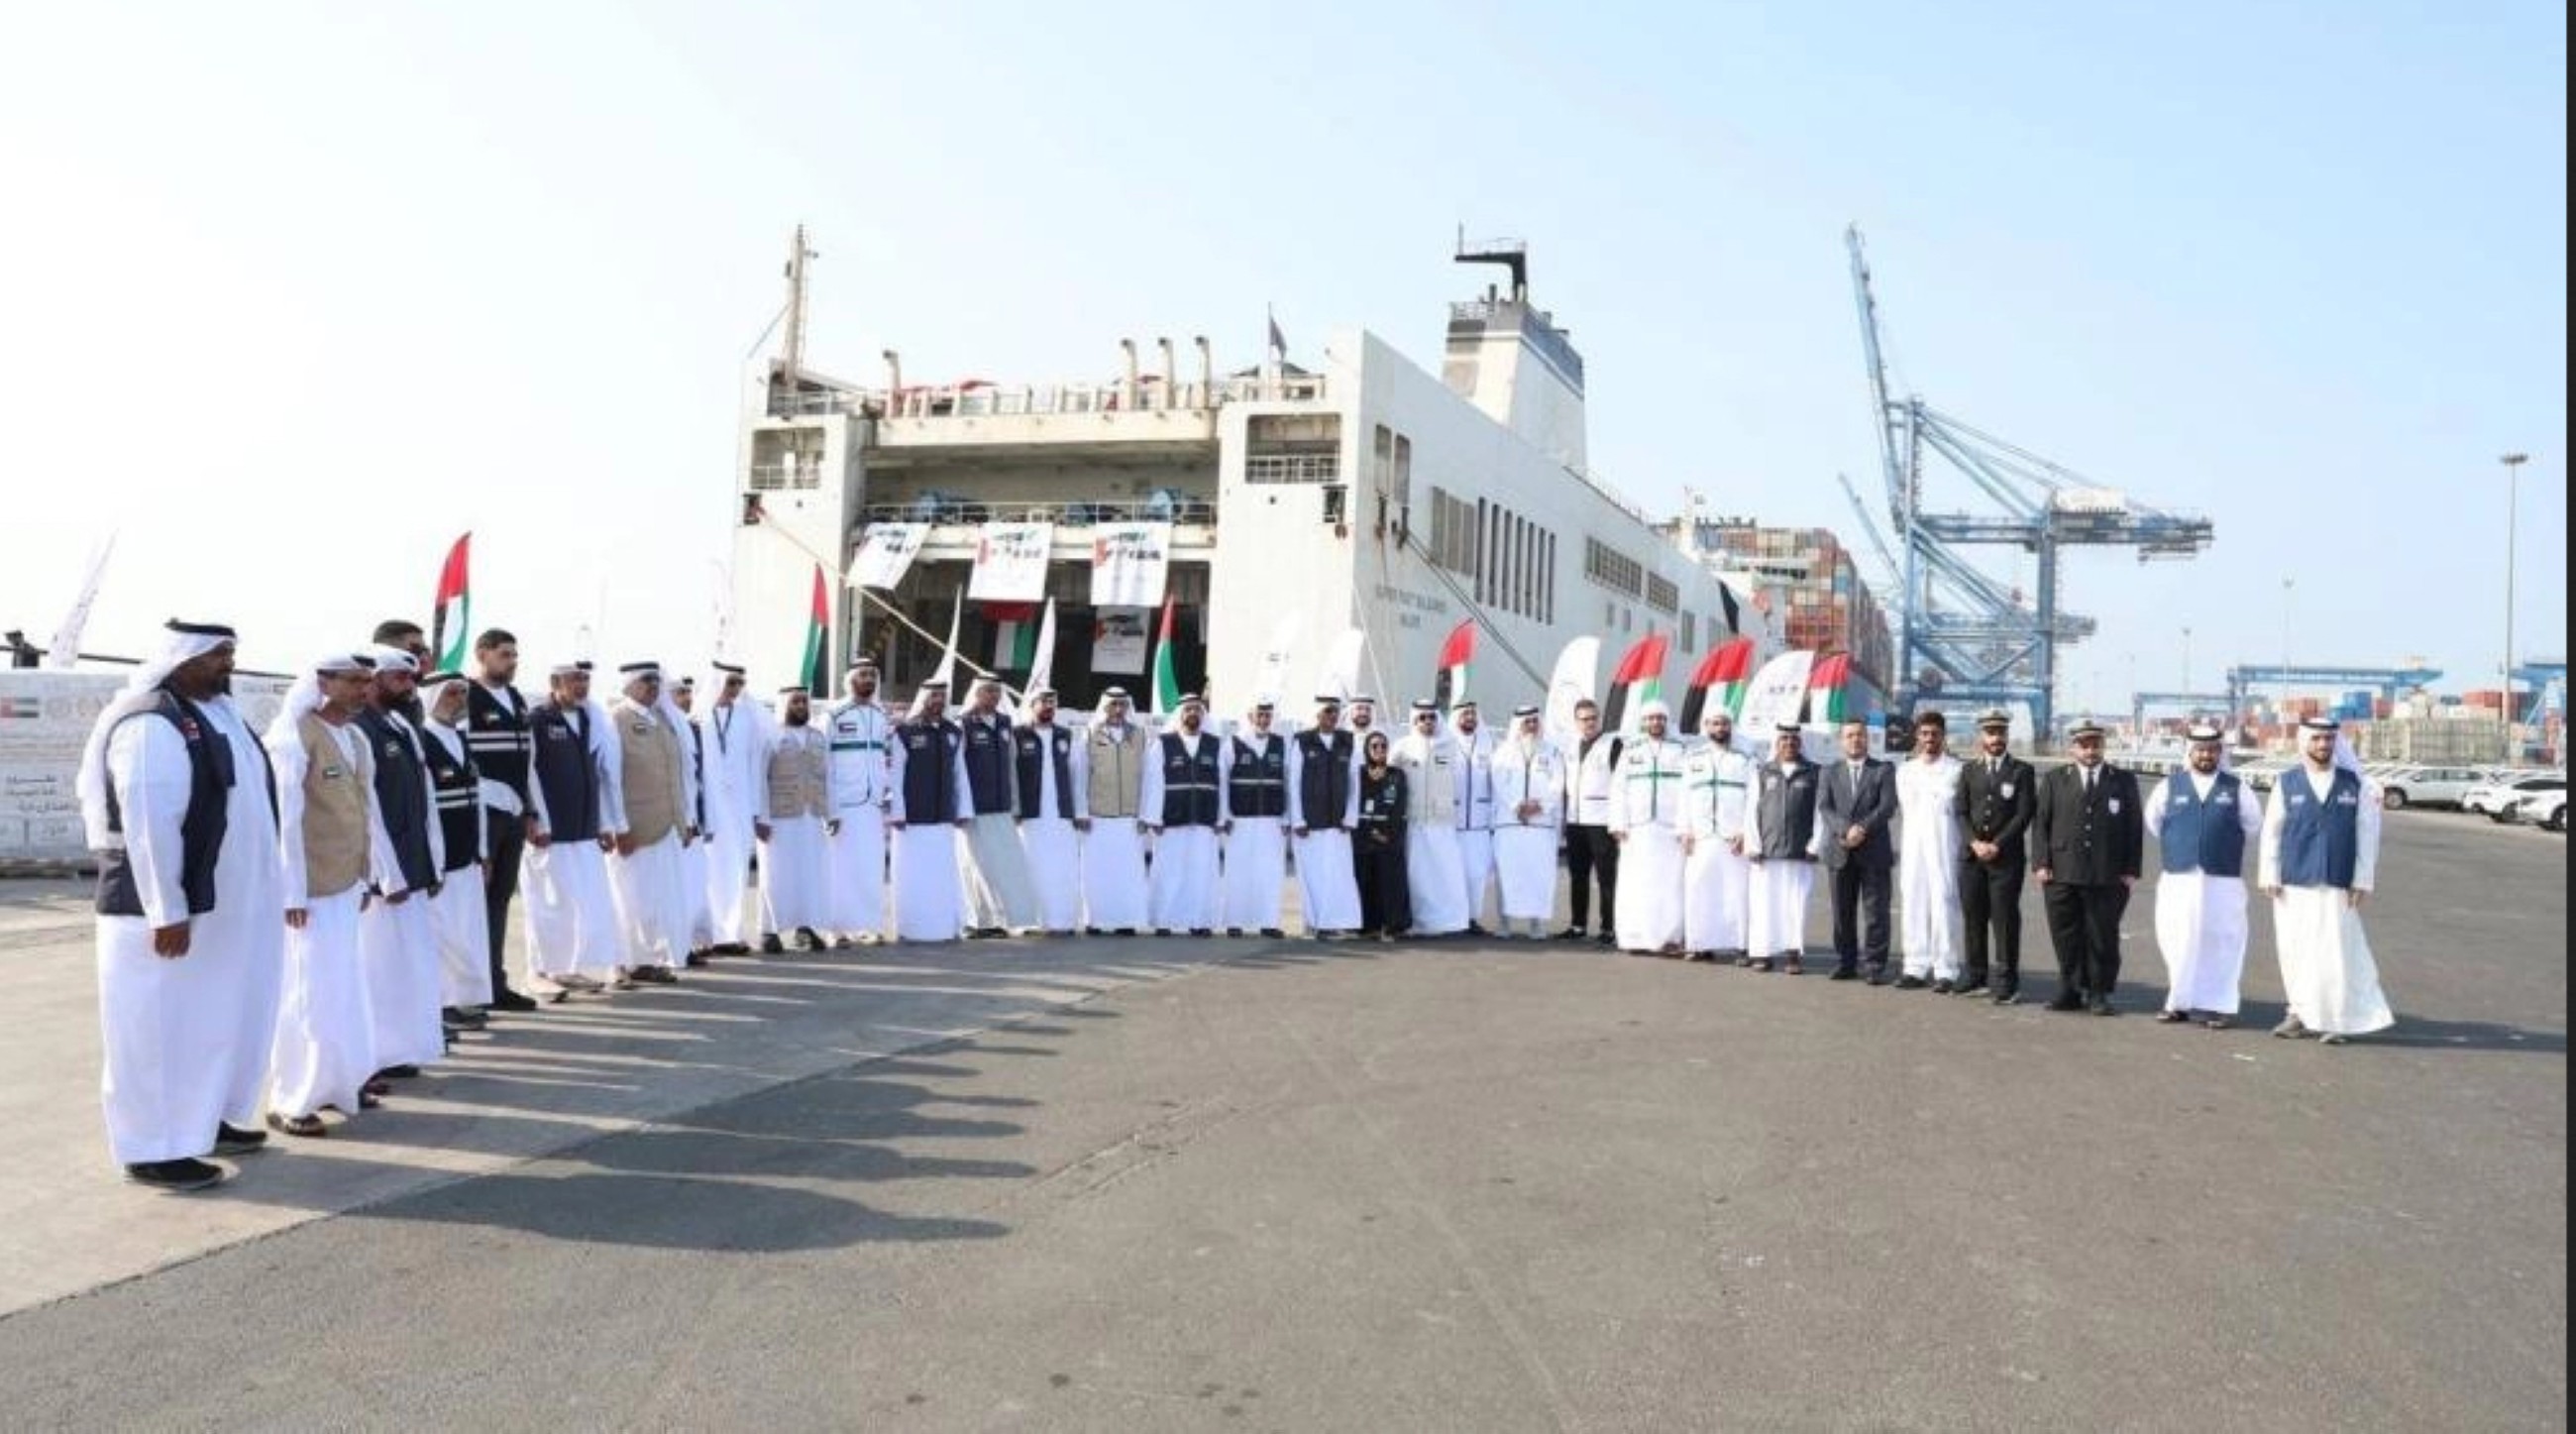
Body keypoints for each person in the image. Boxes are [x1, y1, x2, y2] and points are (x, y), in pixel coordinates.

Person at [77, 620, 285, 1189]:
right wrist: (166, 911)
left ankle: (201, 1122)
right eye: (217, 654)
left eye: (231, 653)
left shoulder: (219, 714)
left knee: (207, 1022)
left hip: (215, 911)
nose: (227, 665)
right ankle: (152, 1149)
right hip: (159, 915)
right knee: (157, 1031)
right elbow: (149, 825)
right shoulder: (151, 722)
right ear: (181, 657)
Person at [265, 653, 390, 1137]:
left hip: (345, 883)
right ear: (323, 683)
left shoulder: (355, 737)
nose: (363, 689)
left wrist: (368, 875)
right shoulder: (294, 736)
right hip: (309, 892)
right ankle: (291, 1098)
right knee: (306, 995)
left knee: (343, 990)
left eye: (367, 681)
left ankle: (340, 1082)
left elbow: (365, 810)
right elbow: (286, 819)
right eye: (354, 681)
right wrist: (291, 890)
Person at [2259, 718, 2396, 1045]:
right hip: (2294, 880)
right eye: (2317, 739)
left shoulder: (2353, 784)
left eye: (2328, 739)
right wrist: (2269, 872)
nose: (2323, 745)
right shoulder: (2287, 782)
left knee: (2336, 952)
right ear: (2304, 741)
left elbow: (2366, 834)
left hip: (2338, 881)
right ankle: (2299, 1013)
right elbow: (2272, 831)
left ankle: (2337, 1019)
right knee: (2296, 950)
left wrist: (2362, 880)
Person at [353, 647, 446, 1083]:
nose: (409, 687)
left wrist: (433, 862)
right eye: (399, 679)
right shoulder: (358, 729)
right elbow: (365, 810)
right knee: (372, 970)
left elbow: (423, 802)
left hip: (411, 866)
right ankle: (366, 1057)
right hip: (380, 877)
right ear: (372, 681)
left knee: (400, 969)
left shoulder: (399, 726)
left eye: (411, 680)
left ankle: (392, 1050)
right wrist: (385, 871)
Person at [2145, 722, 2263, 1028]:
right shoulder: (2169, 787)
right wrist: (2184, 844)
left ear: (2219, 752)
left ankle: (2217, 1005)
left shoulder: (2237, 788)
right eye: (2200, 749)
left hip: (2222, 879)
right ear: (2190, 752)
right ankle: (2178, 1003)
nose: (2206, 755)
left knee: (2221, 941)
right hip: (2179, 877)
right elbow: (2155, 822)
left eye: (2212, 749)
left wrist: (2218, 842)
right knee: (2177, 940)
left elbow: (2252, 825)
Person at [520, 660, 623, 998]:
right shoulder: (537, 720)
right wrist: (537, 819)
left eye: (585, 679)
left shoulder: (591, 719)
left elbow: (602, 777)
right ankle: (536, 972)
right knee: (546, 905)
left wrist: (606, 824)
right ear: (555, 682)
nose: (581, 685)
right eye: (574, 679)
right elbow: (529, 774)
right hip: (552, 831)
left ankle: (566, 968)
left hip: (584, 829)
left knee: (580, 905)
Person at [2031, 717, 2144, 1015]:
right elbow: (2041, 824)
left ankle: (2098, 993)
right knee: (2065, 934)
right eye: (2084, 744)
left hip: (2107, 872)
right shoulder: (2056, 779)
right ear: (2073, 748)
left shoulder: (2122, 780)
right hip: (2062, 871)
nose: (2090, 750)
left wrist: (2131, 868)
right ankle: (2069, 990)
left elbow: (2134, 828)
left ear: (2102, 746)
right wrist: (2041, 863)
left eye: (2095, 744)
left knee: (2102, 935)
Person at [463, 629, 541, 1012]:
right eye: (504, 654)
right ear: (482, 654)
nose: (512, 661)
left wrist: (532, 810)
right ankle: (471, 988)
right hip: (484, 811)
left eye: (515, 654)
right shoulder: (466, 696)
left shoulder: (515, 698)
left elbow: (527, 761)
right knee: (476, 901)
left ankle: (495, 983)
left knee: (499, 901)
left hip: (513, 814)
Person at [602, 662, 695, 985]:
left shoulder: (663, 719)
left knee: (657, 898)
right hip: (633, 828)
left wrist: (685, 819)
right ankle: (621, 963)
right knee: (627, 898)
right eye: (646, 681)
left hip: (666, 824)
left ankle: (648, 959)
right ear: (628, 684)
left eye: (657, 681)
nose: (653, 687)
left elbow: (680, 774)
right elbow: (610, 779)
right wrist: (618, 826)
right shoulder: (616, 719)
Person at [417, 670, 494, 1027]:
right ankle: (442, 1003)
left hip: (467, 854)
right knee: (441, 932)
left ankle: (463, 997)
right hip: (441, 856)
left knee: (464, 931)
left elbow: (476, 799)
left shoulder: (461, 740)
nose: (459, 700)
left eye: (463, 693)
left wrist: (482, 849)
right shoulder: (422, 740)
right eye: (451, 693)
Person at [1956, 708, 2036, 1004]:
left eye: (2001, 732)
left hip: (2005, 859)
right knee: (1973, 917)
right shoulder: (1969, 770)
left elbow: (2024, 813)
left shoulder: (2021, 771)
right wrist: (1974, 842)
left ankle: (2006, 980)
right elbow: (1961, 811)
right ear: (1982, 736)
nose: (1996, 737)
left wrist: (1997, 844)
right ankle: (1975, 974)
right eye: (1991, 732)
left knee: (2004, 920)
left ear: (2007, 736)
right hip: (1972, 857)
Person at [887, 679, 972, 942]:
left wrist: (963, 808)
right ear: (922, 698)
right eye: (933, 696)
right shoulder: (905, 732)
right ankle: (911, 929)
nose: (938, 701)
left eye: (941, 696)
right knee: (913, 877)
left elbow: (960, 774)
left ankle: (944, 928)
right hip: (912, 819)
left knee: (941, 876)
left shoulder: (953, 733)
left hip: (943, 817)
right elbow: (895, 775)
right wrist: (898, 812)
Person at [956, 676, 1039, 938]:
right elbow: (957, 771)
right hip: (975, 810)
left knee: (1006, 865)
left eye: (997, 692)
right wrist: (961, 808)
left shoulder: (1005, 723)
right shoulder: (964, 724)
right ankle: (977, 922)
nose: (993, 696)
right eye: (988, 691)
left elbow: (1011, 767)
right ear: (976, 693)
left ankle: (1006, 920)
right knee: (976, 866)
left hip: (1002, 808)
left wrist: (1015, 805)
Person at [1738, 721, 1823, 972]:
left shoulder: (1813, 772)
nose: (1789, 743)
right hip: (1767, 852)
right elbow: (1752, 810)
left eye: (1794, 739)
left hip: (1800, 853)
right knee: (1764, 905)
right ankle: (1762, 954)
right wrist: (1753, 844)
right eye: (1784, 739)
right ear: (1777, 743)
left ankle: (1793, 955)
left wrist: (1814, 845)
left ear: (1801, 743)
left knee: (1795, 905)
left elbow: (1821, 812)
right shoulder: (1762, 772)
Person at [1816, 717, 1896, 983]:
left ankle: (1874, 966)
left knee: (1876, 913)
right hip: (1839, 851)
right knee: (1842, 912)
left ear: (1867, 739)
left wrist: (1860, 829)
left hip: (1874, 851)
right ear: (1842, 740)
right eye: (1849, 735)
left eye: (1860, 735)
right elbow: (1825, 807)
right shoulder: (1829, 771)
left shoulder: (1883, 770)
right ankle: (1846, 962)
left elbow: (1886, 807)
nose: (1855, 740)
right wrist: (1844, 830)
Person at [755, 686, 834, 953]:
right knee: (775, 876)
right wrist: (762, 817)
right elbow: (760, 779)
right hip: (779, 818)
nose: (801, 706)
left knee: (809, 875)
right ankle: (769, 930)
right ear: (784, 705)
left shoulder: (818, 737)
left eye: (804, 701)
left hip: (811, 817)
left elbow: (828, 777)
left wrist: (832, 813)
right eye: (795, 702)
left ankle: (805, 928)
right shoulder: (771, 736)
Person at [1892, 711, 1967, 992]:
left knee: (1944, 904)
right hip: (1914, 845)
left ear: (1943, 736)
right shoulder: (1905, 771)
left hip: (1944, 845)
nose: (1929, 739)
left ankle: (1945, 969)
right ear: (1917, 736)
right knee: (1913, 902)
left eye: (1934, 734)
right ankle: (1914, 966)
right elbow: (1907, 808)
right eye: (1924, 734)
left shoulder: (1956, 770)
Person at [1142, 693, 1229, 936]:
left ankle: (1199, 922)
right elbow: (1154, 782)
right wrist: (1154, 817)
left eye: (1197, 710)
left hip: (1204, 819)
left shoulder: (1215, 744)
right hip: (1171, 820)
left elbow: (1220, 782)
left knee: (1202, 873)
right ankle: (1164, 921)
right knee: (1169, 872)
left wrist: (1221, 818)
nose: (1193, 714)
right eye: (1188, 709)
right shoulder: (1163, 743)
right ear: (1179, 714)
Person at [1608, 701, 1689, 955]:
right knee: (1636, 884)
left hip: (1670, 828)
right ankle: (1635, 937)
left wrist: (1685, 825)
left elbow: (1689, 792)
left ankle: (1670, 937)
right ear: (1643, 722)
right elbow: (1618, 788)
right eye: (1651, 718)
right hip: (1637, 829)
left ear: (1667, 721)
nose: (1656, 723)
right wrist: (1618, 822)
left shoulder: (1681, 750)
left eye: (1660, 718)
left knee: (1670, 885)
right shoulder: (1631, 750)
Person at [695, 662, 766, 953]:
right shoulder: (698, 717)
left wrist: (756, 809)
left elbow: (759, 757)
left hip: (738, 805)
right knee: (706, 872)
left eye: (739, 684)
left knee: (735, 870)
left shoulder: (748, 716)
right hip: (709, 805)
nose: (734, 689)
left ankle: (730, 933)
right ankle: (703, 936)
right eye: (730, 683)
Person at [824, 660, 895, 944]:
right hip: (843, 804)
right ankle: (837, 929)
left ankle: (869, 925)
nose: (868, 680)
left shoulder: (880, 715)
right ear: (850, 680)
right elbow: (824, 762)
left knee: (870, 866)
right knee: (839, 869)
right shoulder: (834, 714)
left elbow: (882, 759)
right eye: (863, 675)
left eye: (872, 676)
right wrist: (830, 808)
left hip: (872, 805)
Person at [1678, 710, 1753, 962]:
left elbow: (1754, 801)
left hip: (1733, 839)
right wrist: (1684, 830)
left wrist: (1745, 831)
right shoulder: (1692, 759)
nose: (1720, 728)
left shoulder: (1745, 760)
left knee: (1736, 893)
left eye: (1724, 723)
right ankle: (1699, 943)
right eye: (1715, 723)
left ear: (1731, 727)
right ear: (1706, 726)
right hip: (1701, 837)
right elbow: (1683, 797)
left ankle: (1741, 946)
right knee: (1698, 889)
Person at [1079, 687, 1154, 936]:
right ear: (1105, 707)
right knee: (1097, 872)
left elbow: (1148, 777)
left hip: (1130, 818)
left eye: (1123, 705)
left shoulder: (1139, 735)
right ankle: (1096, 921)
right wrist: (1082, 812)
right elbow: (1080, 775)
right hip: (1098, 816)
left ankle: (1126, 920)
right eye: (1114, 705)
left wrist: (1145, 814)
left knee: (1128, 874)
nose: (1118, 710)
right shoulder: (1090, 733)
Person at [1288, 694, 1362, 938]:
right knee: (1313, 875)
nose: (1332, 716)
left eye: (1335, 712)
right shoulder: (1302, 741)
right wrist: (1297, 819)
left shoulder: (1347, 741)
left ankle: (1337, 920)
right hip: (1310, 823)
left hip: (1338, 822)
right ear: (1317, 714)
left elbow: (1354, 782)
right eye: (1328, 712)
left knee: (1338, 875)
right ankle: (1315, 922)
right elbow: (1294, 783)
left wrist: (1351, 816)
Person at [1392, 701, 1468, 937]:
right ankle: (1418, 921)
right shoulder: (1403, 747)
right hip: (1415, 821)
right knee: (1419, 876)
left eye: (1431, 718)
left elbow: (1459, 783)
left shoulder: (1450, 746)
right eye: (1422, 718)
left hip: (1443, 822)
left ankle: (1449, 922)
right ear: (1415, 720)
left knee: (1446, 874)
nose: (1427, 722)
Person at [1012, 688, 1085, 935]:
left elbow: (1077, 776)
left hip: (1061, 815)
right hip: (1030, 815)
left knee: (1061, 869)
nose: (1048, 707)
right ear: (1032, 705)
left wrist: (1079, 811)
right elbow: (1011, 775)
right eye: (1043, 702)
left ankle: (1061, 922)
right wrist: (1015, 808)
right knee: (1030, 866)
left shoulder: (1066, 736)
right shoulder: (1018, 735)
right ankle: (1029, 923)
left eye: (1052, 703)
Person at [1488, 704, 1565, 938]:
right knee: (1507, 874)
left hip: (1540, 824)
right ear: (1517, 726)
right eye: (1527, 722)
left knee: (1539, 874)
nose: (1532, 726)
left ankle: (1537, 924)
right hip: (1509, 824)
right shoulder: (1503, 752)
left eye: (1535, 721)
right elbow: (1499, 782)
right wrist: (1516, 805)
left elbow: (1557, 784)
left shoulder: (1552, 752)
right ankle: (1504, 924)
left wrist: (1540, 806)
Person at [1218, 698, 1291, 938]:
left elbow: (1290, 782)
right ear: (1250, 717)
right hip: (1240, 820)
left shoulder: (1282, 744)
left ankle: (1268, 922)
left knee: (1269, 873)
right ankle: (1234, 922)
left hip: (1271, 820)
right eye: (1259, 715)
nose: (1263, 720)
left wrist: (1288, 817)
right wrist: (1225, 814)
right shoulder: (1234, 743)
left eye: (1267, 715)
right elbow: (1222, 782)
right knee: (1237, 871)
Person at [1558, 699, 1622, 945]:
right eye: (1584, 719)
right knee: (1578, 875)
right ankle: (1578, 925)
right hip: (1576, 820)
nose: (1590, 723)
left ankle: (1608, 928)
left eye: (1593, 718)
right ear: (1576, 721)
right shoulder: (1570, 747)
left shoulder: (1612, 745)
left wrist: (1617, 822)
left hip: (1601, 820)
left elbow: (1620, 785)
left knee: (1606, 877)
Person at [669, 675, 717, 963]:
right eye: (680, 693)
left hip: (694, 821)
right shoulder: (664, 727)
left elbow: (703, 779)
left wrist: (705, 820)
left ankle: (691, 943)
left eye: (689, 692)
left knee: (696, 887)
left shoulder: (695, 729)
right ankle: (677, 947)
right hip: (672, 823)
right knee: (677, 889)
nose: (686, 698)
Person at [1352, 729, 1410, 940]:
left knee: (1389, 885)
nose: (1379, 750)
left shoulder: (1397, 775)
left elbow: (1399, 807)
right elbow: (1354, 805)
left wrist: (1387, 834)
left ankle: (1390, 926)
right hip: (1363, 837)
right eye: (1374, 746)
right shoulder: (1358, 774)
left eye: (1383, 746)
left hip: (1389, 838)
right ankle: (1367, 927)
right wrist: (1371, 831)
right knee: (1365, 882)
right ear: (1367, 749)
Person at [1448, 699, 1499, 933]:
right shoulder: (1445, 744)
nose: (1469, 717)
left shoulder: (1489, 744)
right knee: (1453, 872)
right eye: (1464, 714)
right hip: (1452, 823)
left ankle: (1471, 918)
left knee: (1477, 874)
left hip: (1479, 823)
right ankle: (1453, 917)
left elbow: (1498, 784)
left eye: (1472, 714)